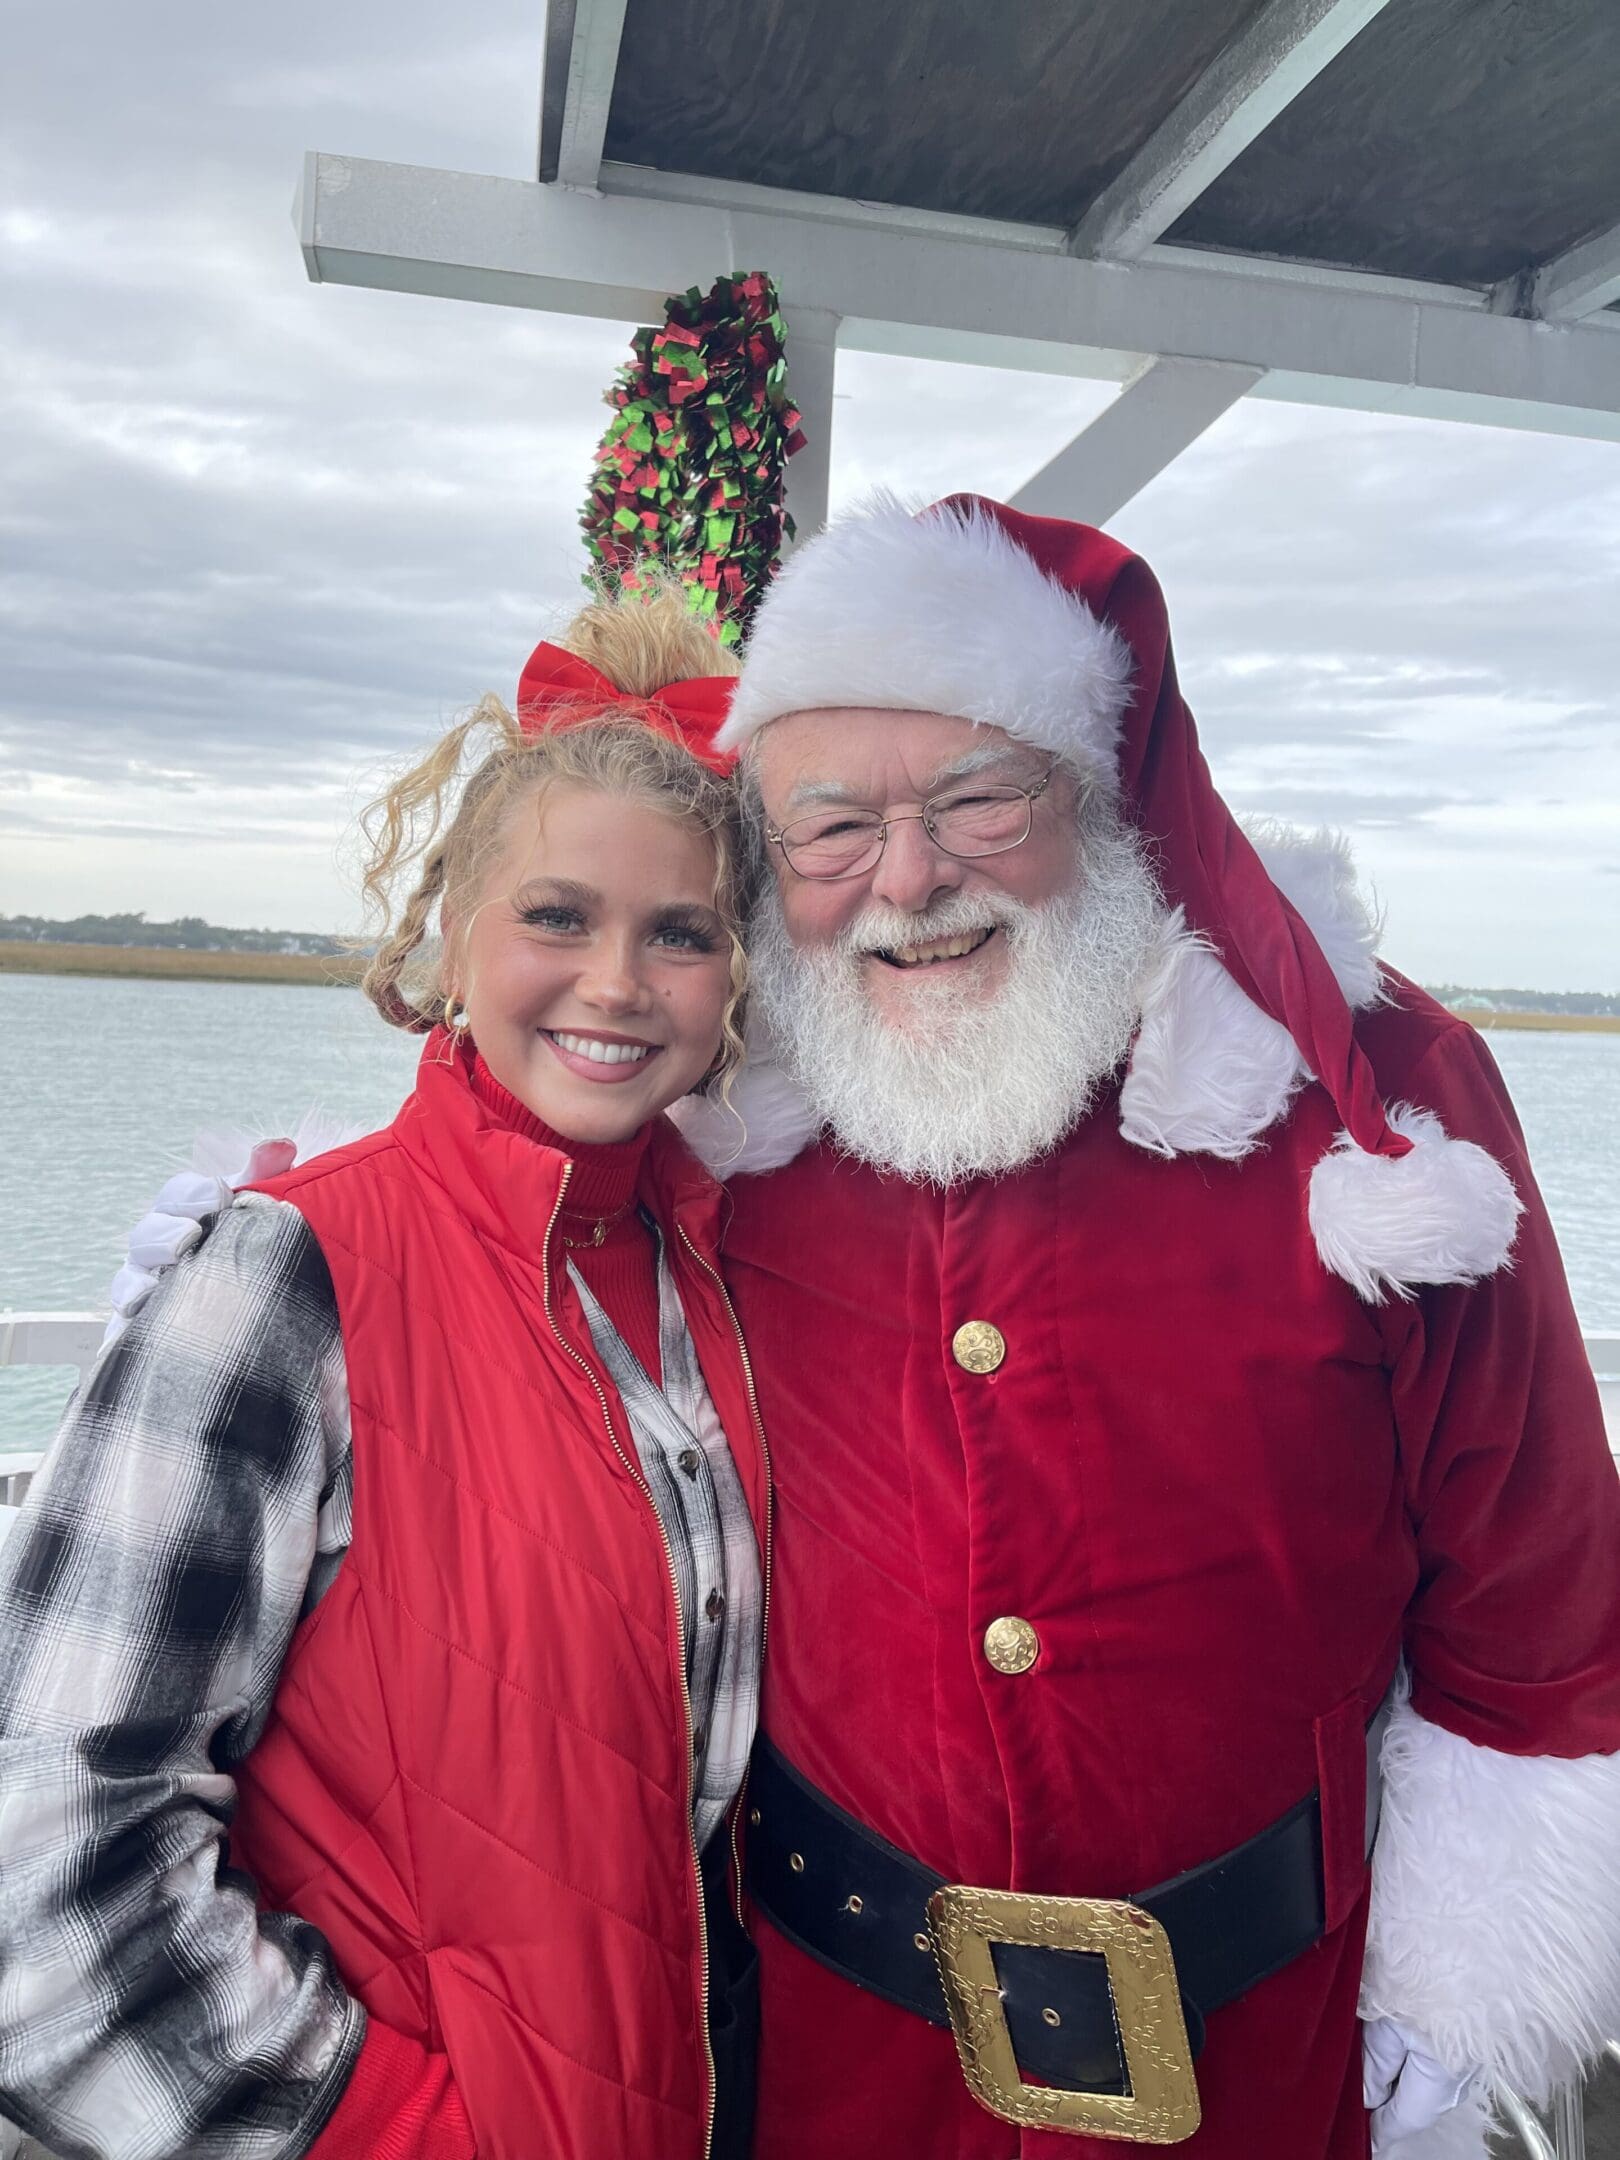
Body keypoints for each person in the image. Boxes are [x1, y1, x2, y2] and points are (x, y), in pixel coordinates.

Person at [667, 494, 1619, 2158]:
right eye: (832, 829)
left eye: (978, 799)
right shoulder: (724, 1100)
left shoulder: (1372, 1101)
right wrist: (269, 1239)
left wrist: (1455, 2008)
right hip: (832, 2059)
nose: (907, 880)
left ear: (1098, 790)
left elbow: (1534, 1579)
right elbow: (482, 1208)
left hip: (1266, 2057)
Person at [0, 589, 769, 2160]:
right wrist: (394, 2131)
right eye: (558, 916)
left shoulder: (717, 1279)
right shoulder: (287, 1271)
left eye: (679, 932)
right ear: (453, 932)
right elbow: (45, 1888)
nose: (618, 983)